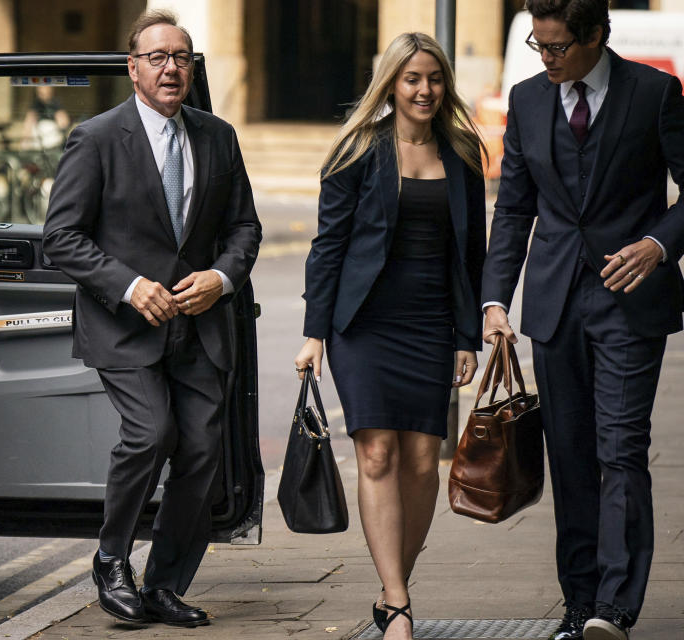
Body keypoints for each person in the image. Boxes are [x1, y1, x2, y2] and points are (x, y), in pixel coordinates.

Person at [40, 10, 261, 628]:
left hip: (200, 327)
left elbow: (244, 226)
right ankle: (112, 559)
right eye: (158, 57)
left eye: (182, 57)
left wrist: (220, 279)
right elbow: (61, 237)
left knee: (201, 449)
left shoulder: (217, 137)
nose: (171, 67)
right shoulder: (97, 137)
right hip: (124, 326)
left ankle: (165, 583)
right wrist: (130, 286)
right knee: (151, 432)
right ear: (132, 68)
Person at [481, 1, 684, 639]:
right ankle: (580, 601)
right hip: (555, 303)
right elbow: (513, 209)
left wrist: (658, 246)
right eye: (538, 46)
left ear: (597, 35)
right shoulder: (529, 99)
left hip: (631, 298)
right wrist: (494, 301)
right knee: (569, 454)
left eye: (558, 47)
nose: (545, 59)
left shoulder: (655, 93)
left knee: (619, 448)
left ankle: (615, 608)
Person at [295, 32, 486, 640]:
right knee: (377, 452)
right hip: (365, 325)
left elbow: (470, 256)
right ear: (392, 85)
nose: (424, 89)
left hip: (430, 325)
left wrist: (466, 335)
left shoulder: (461, 154)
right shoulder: (357, 151)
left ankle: (389, 584)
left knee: (425, 464)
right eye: (412, 78)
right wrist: (313, 334)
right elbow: (327, 248)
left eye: (433, 78)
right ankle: (400, 604)